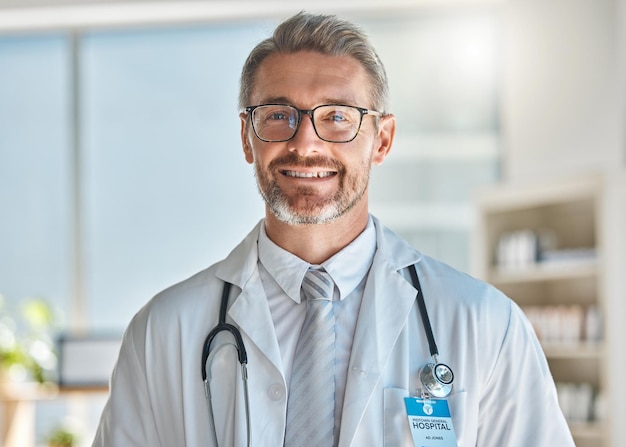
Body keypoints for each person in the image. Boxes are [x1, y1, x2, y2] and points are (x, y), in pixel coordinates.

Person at [93, 11, 575, 447]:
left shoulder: (486, 324)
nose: (305, 143)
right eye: (279, 116)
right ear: (247, 138)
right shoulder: (161, 333)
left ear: (381, 140)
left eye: (338, 117)